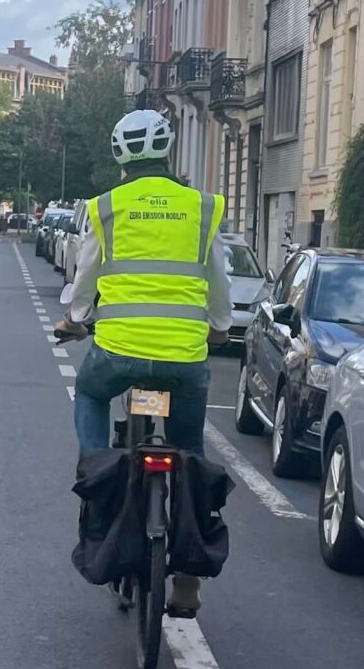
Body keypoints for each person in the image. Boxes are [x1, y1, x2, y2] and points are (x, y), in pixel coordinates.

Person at [53, 109, 233, 615]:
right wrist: (219, 326)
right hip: (184, 356)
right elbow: (217, 279)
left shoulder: (106, 207)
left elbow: (86, 276)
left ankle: (98, 481)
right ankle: (188, 580)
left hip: (119, 352)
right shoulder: (202, 207)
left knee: (90, 395)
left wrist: (76, 319)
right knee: (190, 450)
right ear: (168, 150)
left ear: (120, 157)